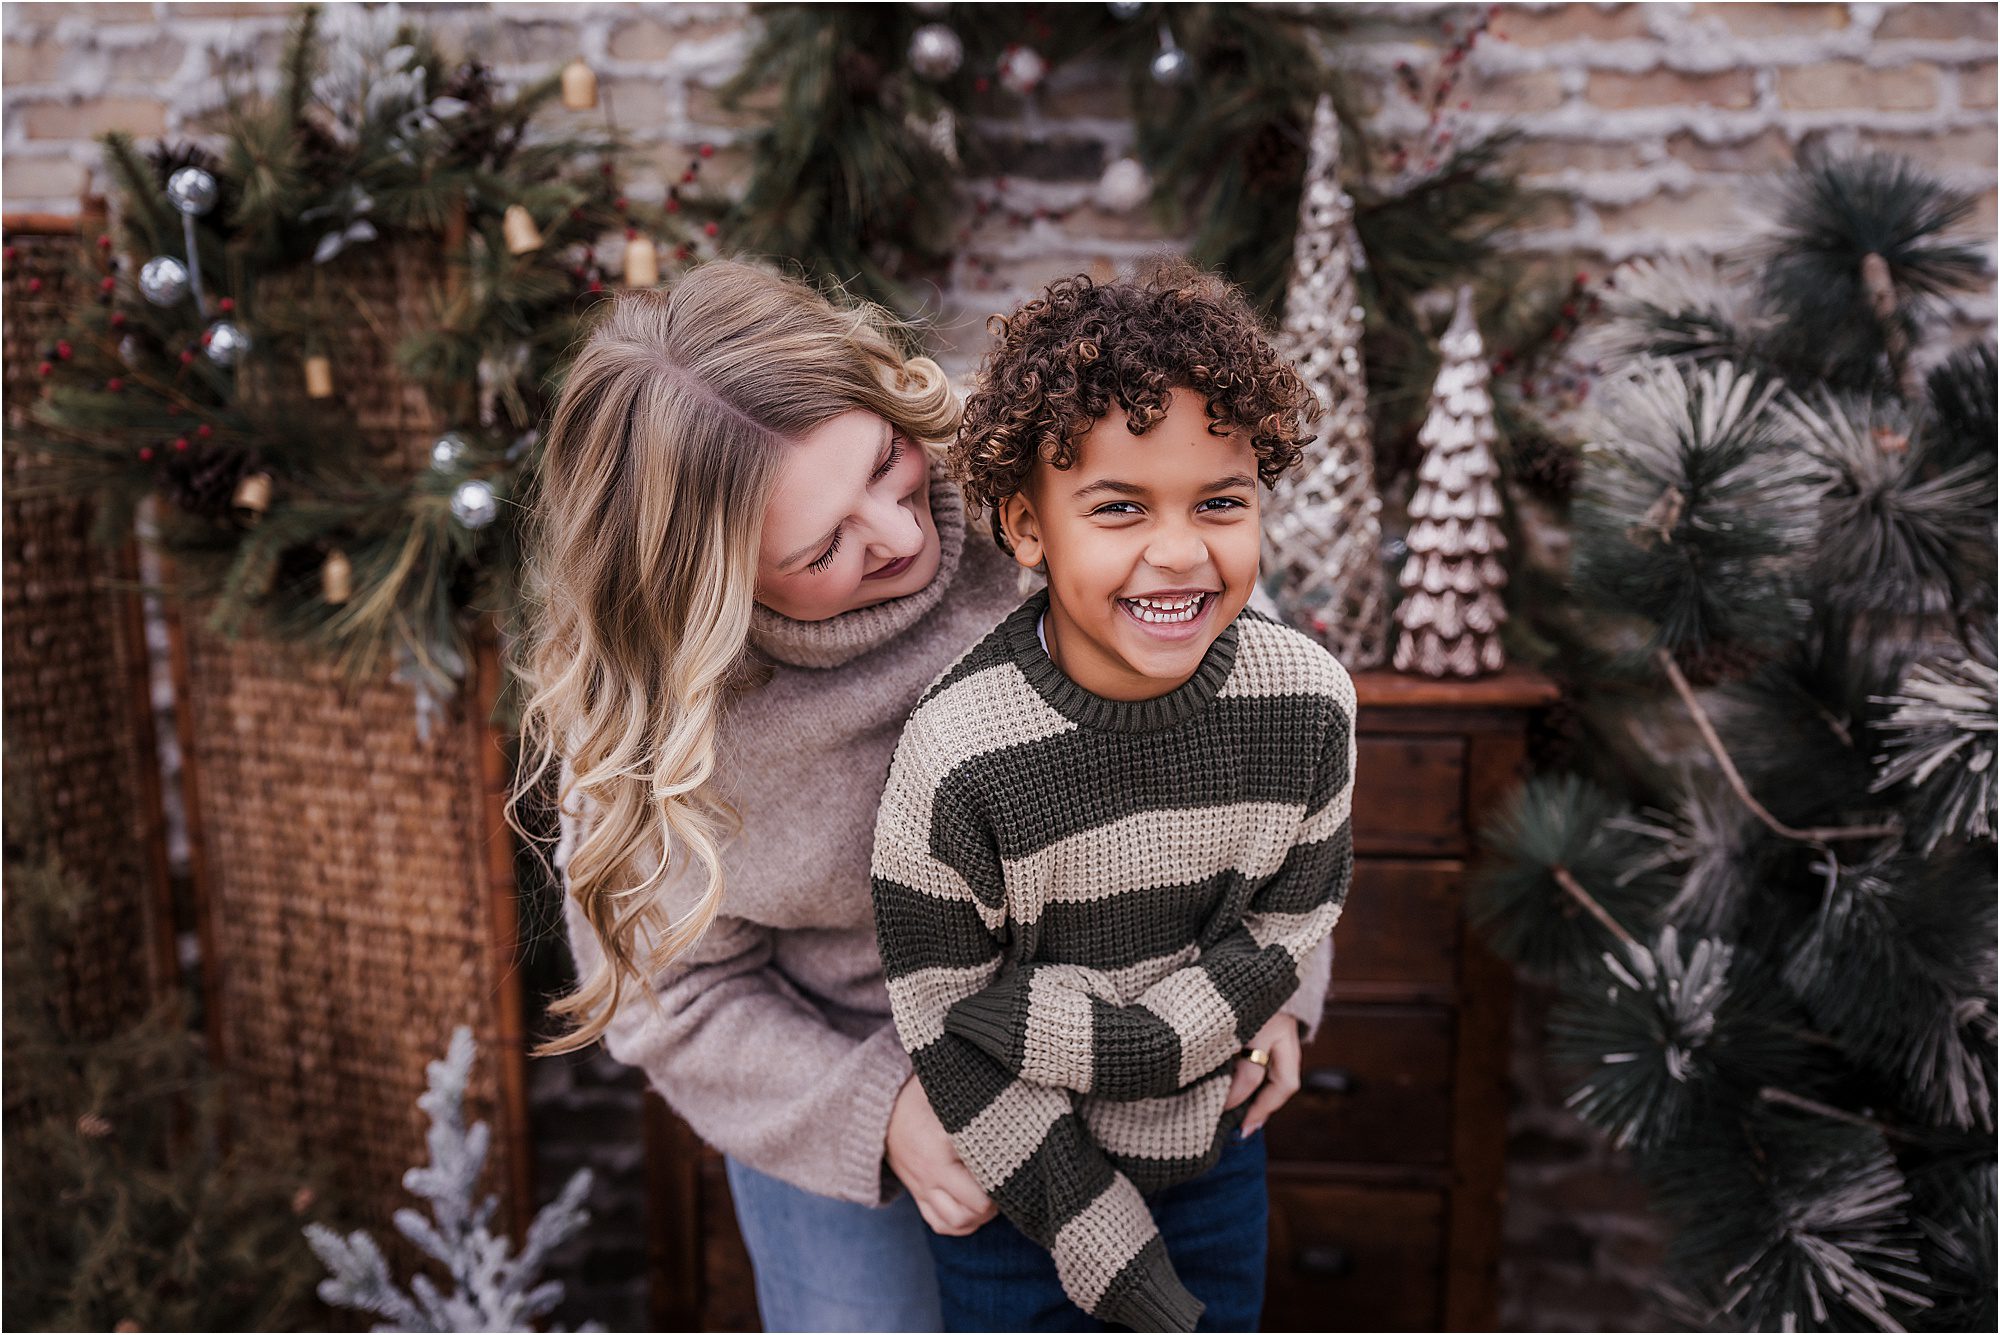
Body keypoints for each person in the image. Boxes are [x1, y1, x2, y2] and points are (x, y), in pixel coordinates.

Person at [510, 259, 1326, 1332]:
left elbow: (1258, 758)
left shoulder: (1032, 480)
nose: (899, 536)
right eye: (822, 546)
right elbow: (674, 998)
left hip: (1148, 1041)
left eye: (887, 465)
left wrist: (1275, 993)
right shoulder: (666, 725)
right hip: (857, 1084)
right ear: (707, 585)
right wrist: (884, 1113)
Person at [870, 262, 1356, 1332]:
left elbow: (1289, 919)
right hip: (1015, 1185)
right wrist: (1109, 1250)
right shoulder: (958, 753)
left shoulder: (1306, 705)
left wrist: (1148, 1048)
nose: (1177, 551)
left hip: (1216, 1150)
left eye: (1220, 502)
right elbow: (949, 1021)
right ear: (1028, 527)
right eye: (1118, 507)